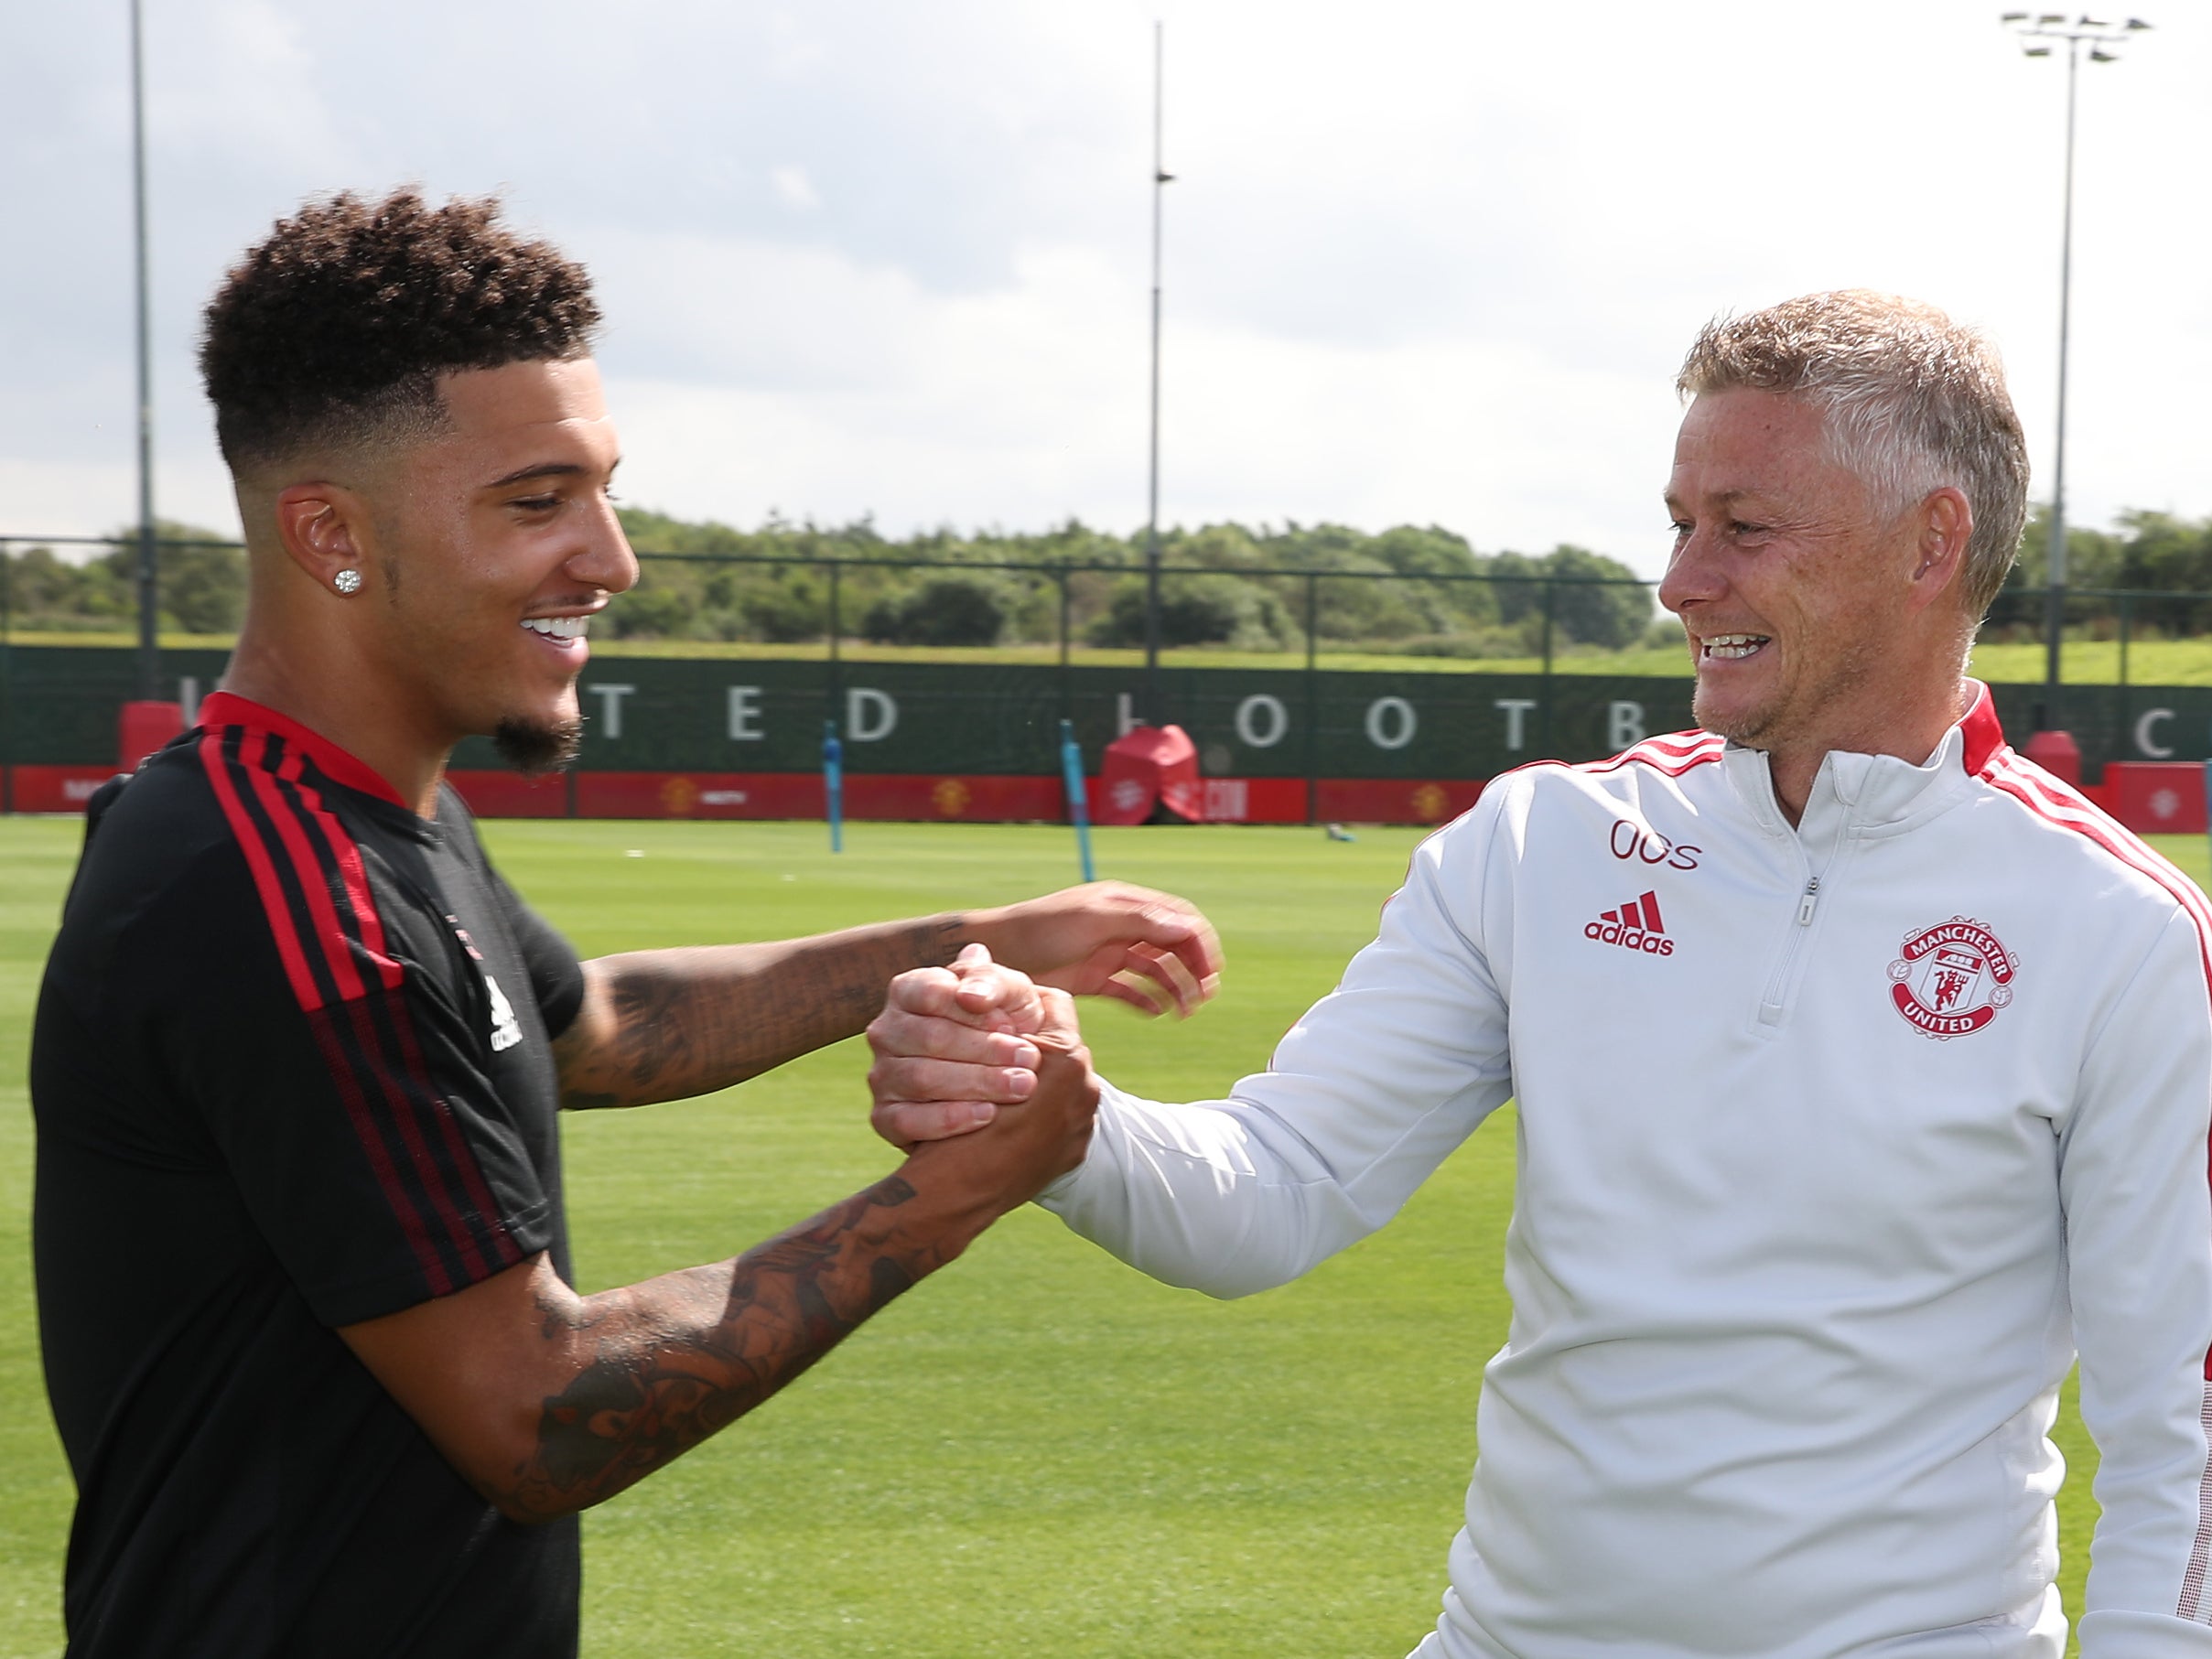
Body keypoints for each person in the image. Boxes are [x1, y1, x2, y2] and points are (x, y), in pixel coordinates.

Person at [869, 291, 2212, 1657]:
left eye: (1743, 528)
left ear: (1931, 540)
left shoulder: (2120, 926)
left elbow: (2185, 1427)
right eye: (1679, 522)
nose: (1682, 580)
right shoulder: (1541, 843)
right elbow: (1268, 1192)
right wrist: (1058, 1114)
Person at [29, 189, 1211, 1659]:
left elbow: (601, 1024)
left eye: (602, 488)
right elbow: (536, 1412)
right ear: (329, 532)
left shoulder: (360, 815)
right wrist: (954, 1191)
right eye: (537, 502)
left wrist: (998, 926)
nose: (611, 556)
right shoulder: (279, 892)